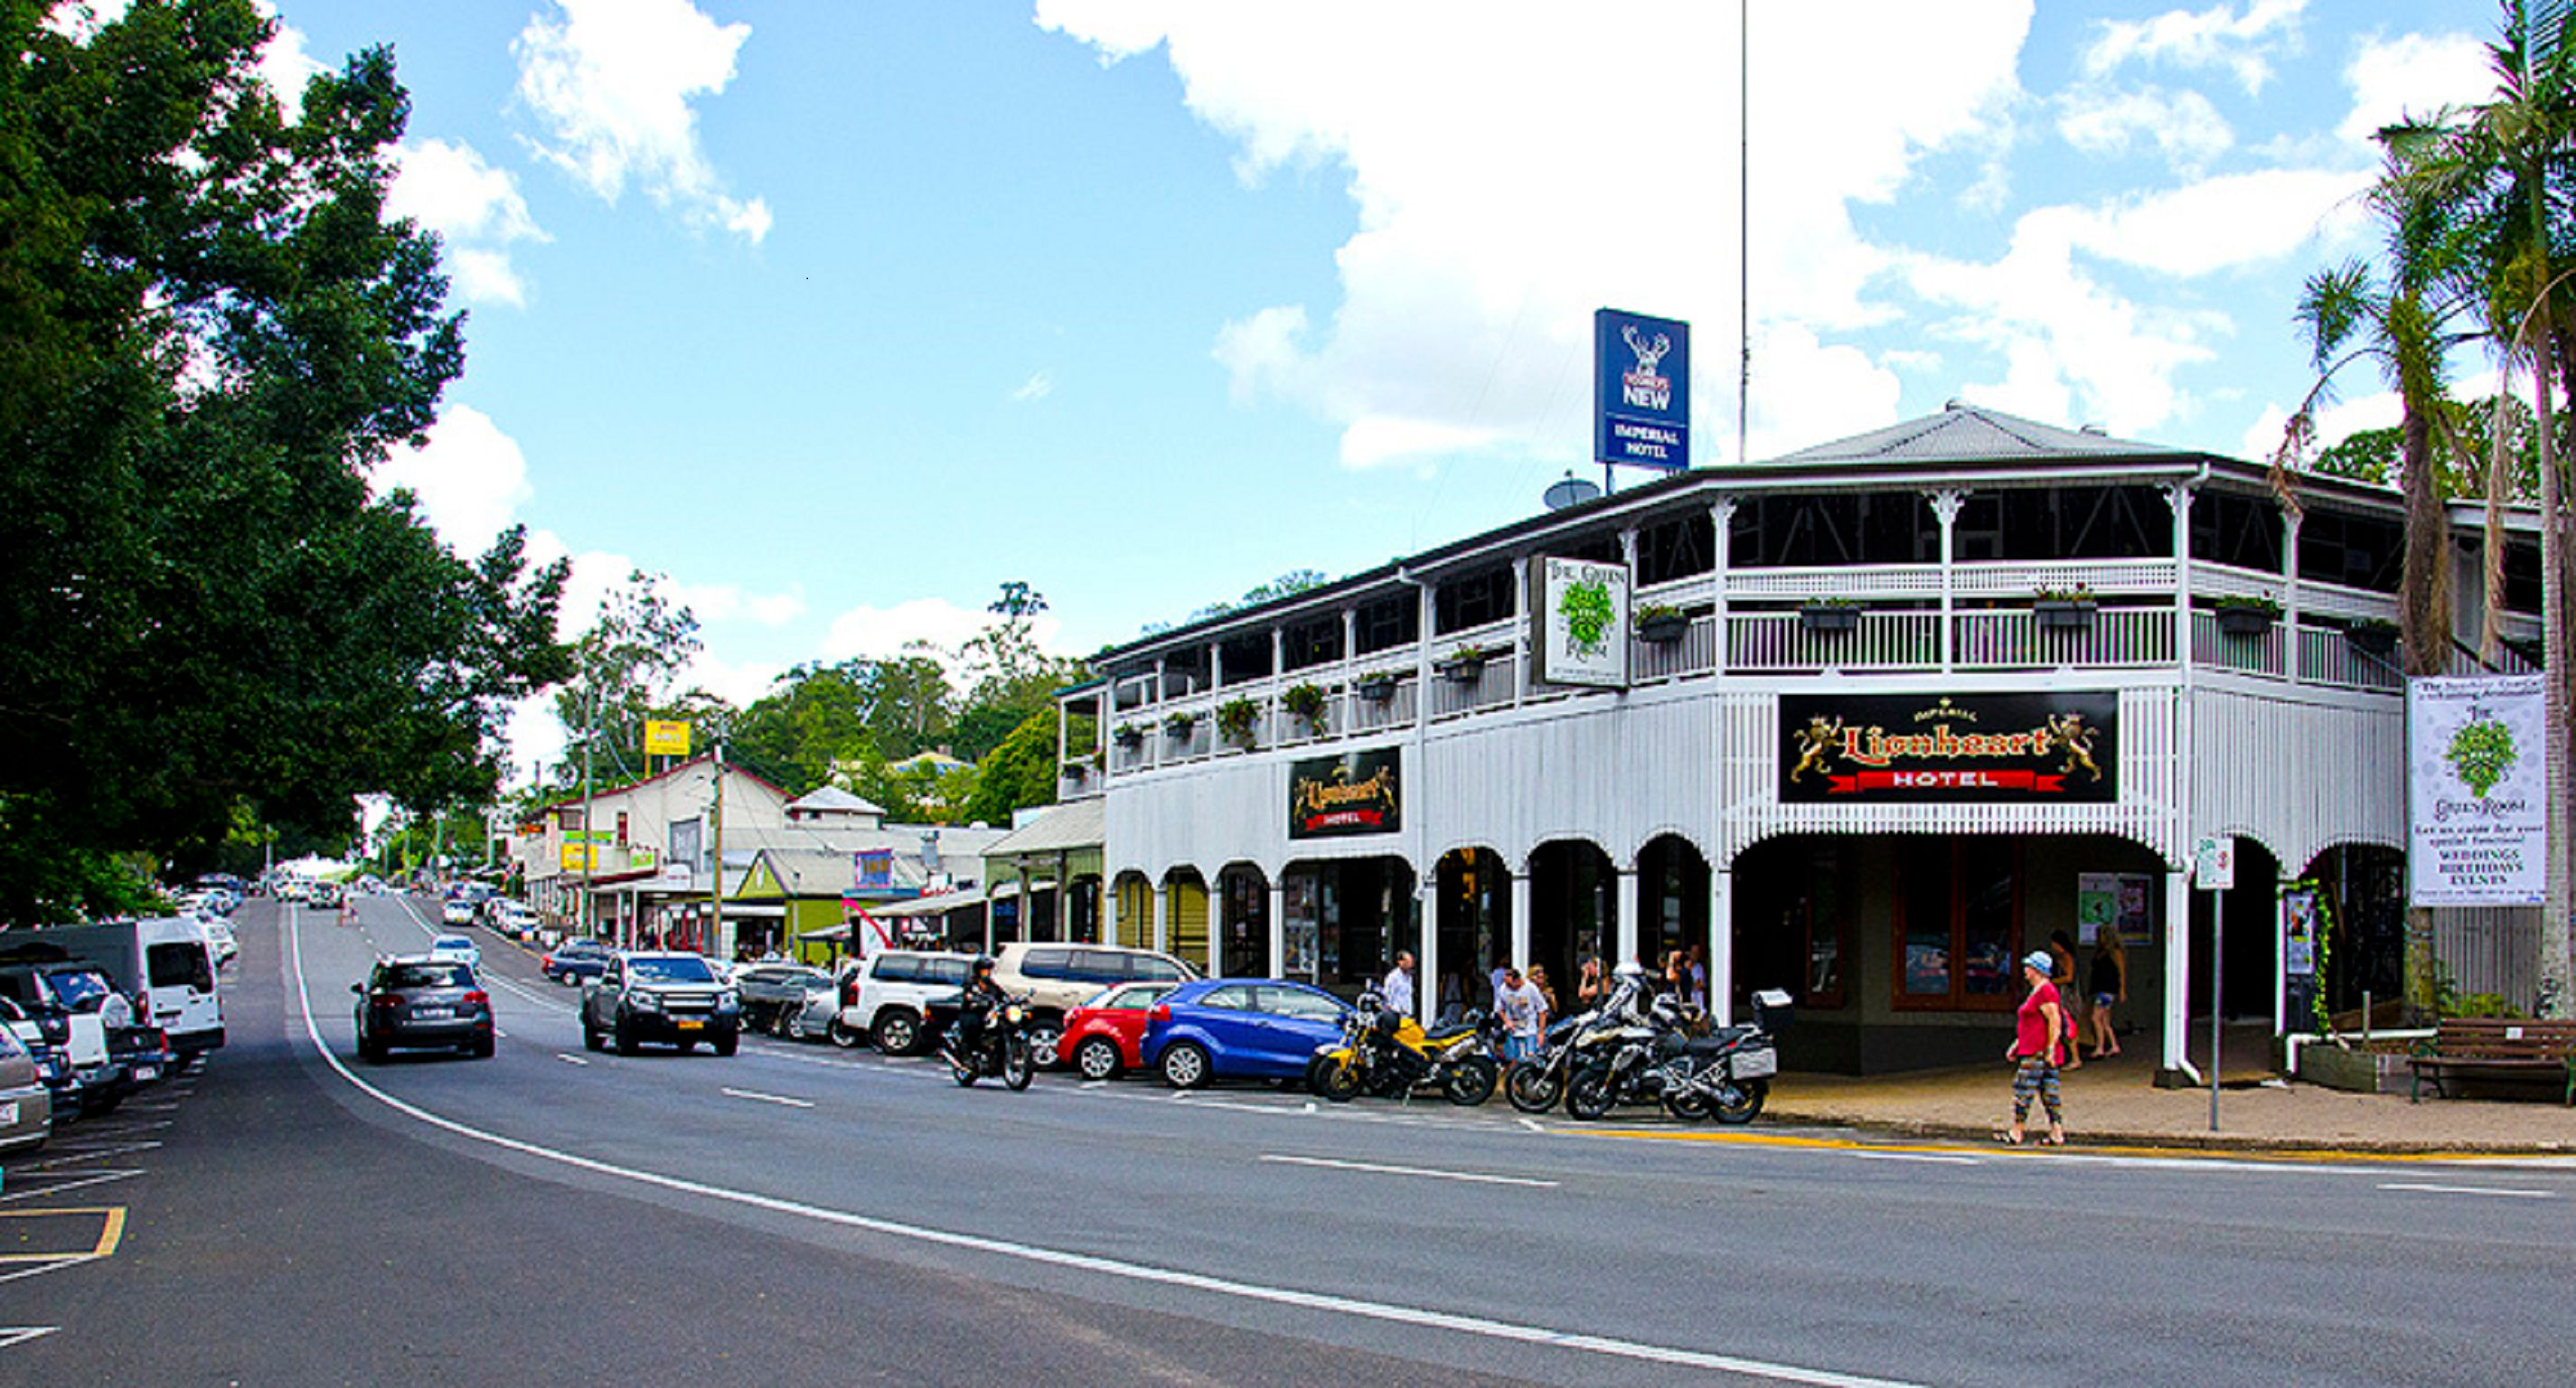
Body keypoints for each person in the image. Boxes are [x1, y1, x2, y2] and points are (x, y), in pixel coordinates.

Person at [2005, 950, 2068, 1146]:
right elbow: (2031, 1024)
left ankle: (2017, 1130)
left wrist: (2050, 1048)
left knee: (2024, 1088)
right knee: (2049, 1091)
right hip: (2036, 1048)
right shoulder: (2039, 991)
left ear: (2036, 970)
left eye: (2028, 967)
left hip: (2037, 1052)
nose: (2025, 970)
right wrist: (2017, 1044)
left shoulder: (2045, 991)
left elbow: (2054, 1020)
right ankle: (2057, 1132)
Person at [951, 954, 1006, 1061]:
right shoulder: (971, 983)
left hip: (986, 1013)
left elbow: (1001, 994)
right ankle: (968, 1053)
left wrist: (1012, 1000)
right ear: (978, 970)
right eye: (984, 970)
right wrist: (973, 997)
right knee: (973, 1025)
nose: (987, 972)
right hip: (972, 1012)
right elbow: (967, 994)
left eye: (989, 970)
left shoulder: (990, 984)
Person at [2086, 928, 2128, 1059]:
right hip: (2100, 987)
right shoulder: (2100, 952)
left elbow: (2121, 971)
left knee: (2095, 1017)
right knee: (2105, 1020)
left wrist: (2122, 989)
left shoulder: (2115, 952)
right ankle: (2114, 1045)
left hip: (2107, 989)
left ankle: (2100, 1047)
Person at [2046, 930, 2083, 1069]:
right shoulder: (2058, 958)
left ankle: (2075, 1057)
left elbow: (2069, 977)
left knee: (2068, 1025)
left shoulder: (2067, 957)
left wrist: (2052, 981)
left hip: (2068, 995)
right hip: (2061, 994)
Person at [1493, 966, 1546, 1064]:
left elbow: (1542, 1009)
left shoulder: (1530, 988)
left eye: (1510, 984)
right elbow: (1500, 1008)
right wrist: (1506, 1021)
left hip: (1529, 1028)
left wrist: (1541, 1032)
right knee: (1512, 1059)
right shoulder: (1504, 989)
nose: (1508, 986)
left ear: (1517, 980)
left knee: (1531, 1058)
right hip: (1513, 1029)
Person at [1380, 951, 1416, 1018]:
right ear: (1400, 962)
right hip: (1397, 1014)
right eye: (1407, 962)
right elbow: (1387, 996)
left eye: (1411, 962)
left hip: (1408, 1014)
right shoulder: (1393, 977)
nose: (1410, 964)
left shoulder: (1410, 976)